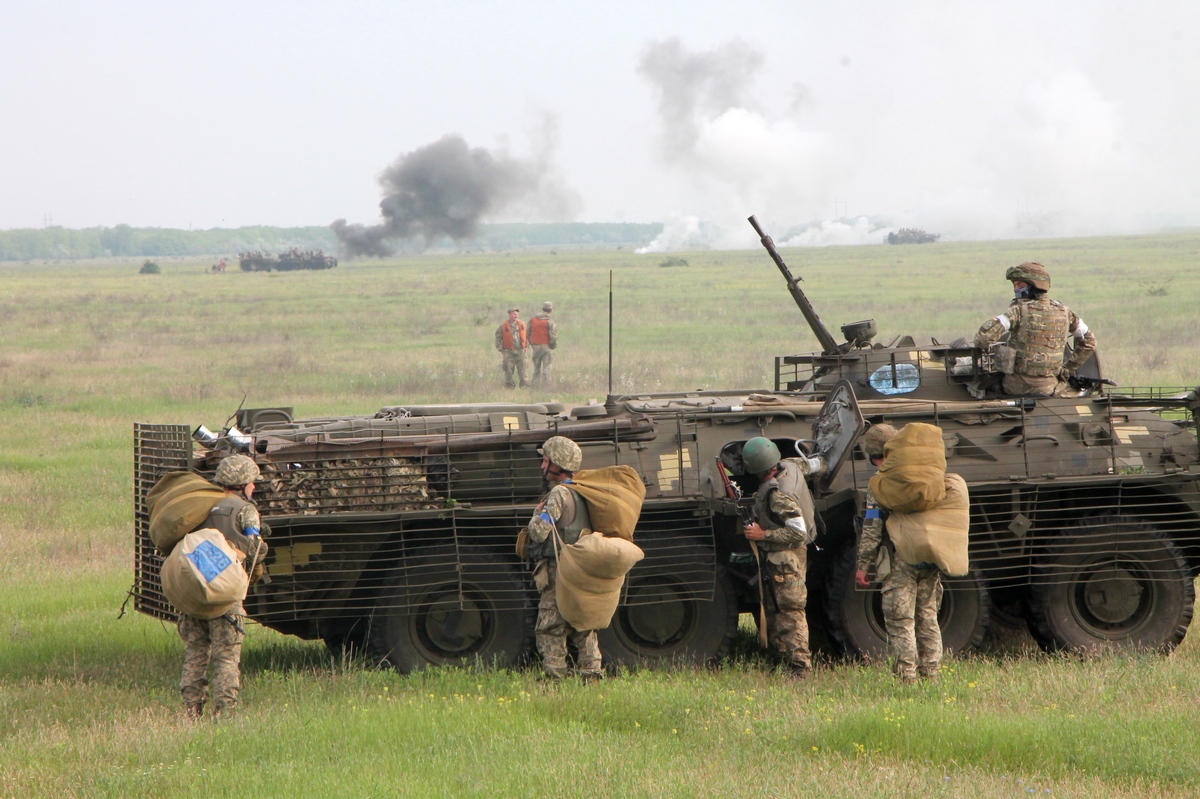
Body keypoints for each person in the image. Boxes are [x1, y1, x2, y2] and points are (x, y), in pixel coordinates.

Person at [178, 454, 268, 719]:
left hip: (196, 589)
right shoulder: (246, 510)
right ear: (242, 483)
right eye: (252, 482)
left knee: (195, 652)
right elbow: (254, 548)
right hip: (226, 592)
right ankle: (226, 712)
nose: (254, 487)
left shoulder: (203, 505)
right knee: (226, 655)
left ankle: (192, 710)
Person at [854, 424, 942, 684]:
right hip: (929, 553)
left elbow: (872, 527)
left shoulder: (881, 483)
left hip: (900, 558)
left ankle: (907, 679)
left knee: (900, 619)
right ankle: (933, 676)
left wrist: (863, 565)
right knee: (928, 616)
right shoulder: (929, 474)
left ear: (875, 455)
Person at [741, 437, 825, 678]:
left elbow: (797, 531)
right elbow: (818, 464)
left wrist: (762, 533)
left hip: (786, 558)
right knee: (777, 609)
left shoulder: (778, 495)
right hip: (787, 556)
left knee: (789, 612)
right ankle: (783, 661)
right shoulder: (792, 465)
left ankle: (800, 669)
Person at [521, 435, 602, 681]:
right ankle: (591, 673)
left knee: (550, 625)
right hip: (581, 567)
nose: (542, 466)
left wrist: (537, 514)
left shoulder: (557, 495)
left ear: (558, 464)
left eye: (546, 461)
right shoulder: (583, 492)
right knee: (583, 622)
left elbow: (539, 532)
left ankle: (555, 677)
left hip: (559, 569)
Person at [973, 261, 1097, 397]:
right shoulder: (1065, 313)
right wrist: (1067, 368)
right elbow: (1090, 342)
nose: (1016, 288)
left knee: (974, 386)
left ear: (1034, 284)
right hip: (1050, 388)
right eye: (1014, 284)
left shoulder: (1018, 311)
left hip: (1015, 387)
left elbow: (982, 340)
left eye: (1020, 284)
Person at [494, 307, 530, 388]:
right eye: (514, 314)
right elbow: (498, 339)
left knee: (523, 372)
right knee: (508, 372)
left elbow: (527, 336)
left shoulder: (522, 324)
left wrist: (527, 346)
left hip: (521, 352)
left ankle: (524, 387)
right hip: (509, 352)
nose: (516, 316)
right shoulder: (503, 326)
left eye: (517, 314)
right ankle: (509, 387)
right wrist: (502, 350)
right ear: (509, 315)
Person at [529, 301, 557, 386]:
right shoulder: (550, 321)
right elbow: (553, 336)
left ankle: (535, 386)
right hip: (546, 347)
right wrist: (553, 345)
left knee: (536, 368)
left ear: (542, 309)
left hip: (536, 347)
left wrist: (533, 344)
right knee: (546, 368)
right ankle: (546, 387)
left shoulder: (533, 319)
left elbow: (528, 333)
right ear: (551, 310)